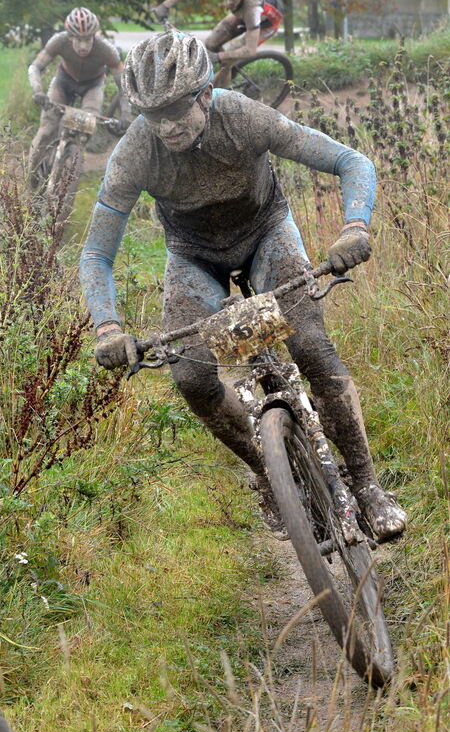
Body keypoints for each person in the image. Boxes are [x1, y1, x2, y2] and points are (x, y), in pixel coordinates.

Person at [79, 31, 406, 542]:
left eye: (174, 109)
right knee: (189, 378)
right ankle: (276, 478)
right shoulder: (134, 154)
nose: (164, 126)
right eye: (150, 113)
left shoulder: (245, 118)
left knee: (312, 347)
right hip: (194, 258)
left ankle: (367, 486)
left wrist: (355, 227)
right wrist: (107, 326)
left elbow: (351, 162)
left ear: (205, 94)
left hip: (266, 235)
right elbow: (97, 253)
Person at [27, 7, 131, 190]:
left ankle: (73, 157)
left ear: (94, 36)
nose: (83, 46)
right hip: (63, 82)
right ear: (69, 37)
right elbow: (35, 67)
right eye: (78, 40)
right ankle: (30, 179)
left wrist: (125, 115)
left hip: (93, 85)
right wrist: (38, 91)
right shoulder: (58, 41)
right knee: (46, 130)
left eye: (88, 39)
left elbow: (124, 86)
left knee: (85, 128)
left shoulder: (107, 50)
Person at [152, 0, 283, 68]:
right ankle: (222, 73)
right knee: (210, 43)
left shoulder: (252, 7)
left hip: (268, 23)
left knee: (227, 60)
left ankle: (223, 92)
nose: (227, 2)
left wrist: (219, 57)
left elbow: (250, 50)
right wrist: (165, 6)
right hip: (241, 11)